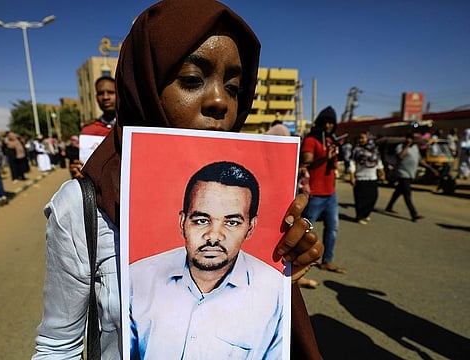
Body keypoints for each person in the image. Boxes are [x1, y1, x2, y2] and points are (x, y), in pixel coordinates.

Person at [33, 1, 324, 359]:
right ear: (144, 82)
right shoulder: (82, 207)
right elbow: (57, 347)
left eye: (233, 87)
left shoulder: (253, 194)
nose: (219, 100)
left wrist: (282, 267)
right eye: (191, 79)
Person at [130, 161, 283, 359]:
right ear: (182, 222)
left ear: (250, 228)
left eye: (232, 222)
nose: (213, 236)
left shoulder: (276, 292)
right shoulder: (137, 278)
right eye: (202, 220)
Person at [301, 106, 346, 274]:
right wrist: (323, 158)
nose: (328, 126)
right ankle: (298, 262)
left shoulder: (331, 140)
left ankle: (327, 260)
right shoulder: (312, 140)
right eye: (326, 122)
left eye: (331, 123)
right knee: (306, 230)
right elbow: (306, 162)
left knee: (332, 228)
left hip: (330, 193)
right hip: (315, 193)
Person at [385, 132, 439, 221]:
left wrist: (431, 169)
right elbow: (400, 156)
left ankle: (389, 206)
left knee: (398, 191)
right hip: (402, 173)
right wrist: (406, 146)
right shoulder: (400, 147)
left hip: (411, 173)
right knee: (407, 194)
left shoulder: (415, 148)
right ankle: (413, 213)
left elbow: (419, 160)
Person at [349, 132, 385, 224]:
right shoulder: (356, 150)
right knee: (360, 199)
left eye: (363, 138)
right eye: (360, 138)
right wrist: (352, 177)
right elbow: (352, 163)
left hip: (372, 177)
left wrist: (382, 173)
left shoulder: (375, 150)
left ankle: (366, 214)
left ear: (369, 138)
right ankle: (359, 217)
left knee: (373, 197)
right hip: (360, 177)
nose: (361, 140)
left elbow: (379, 162)